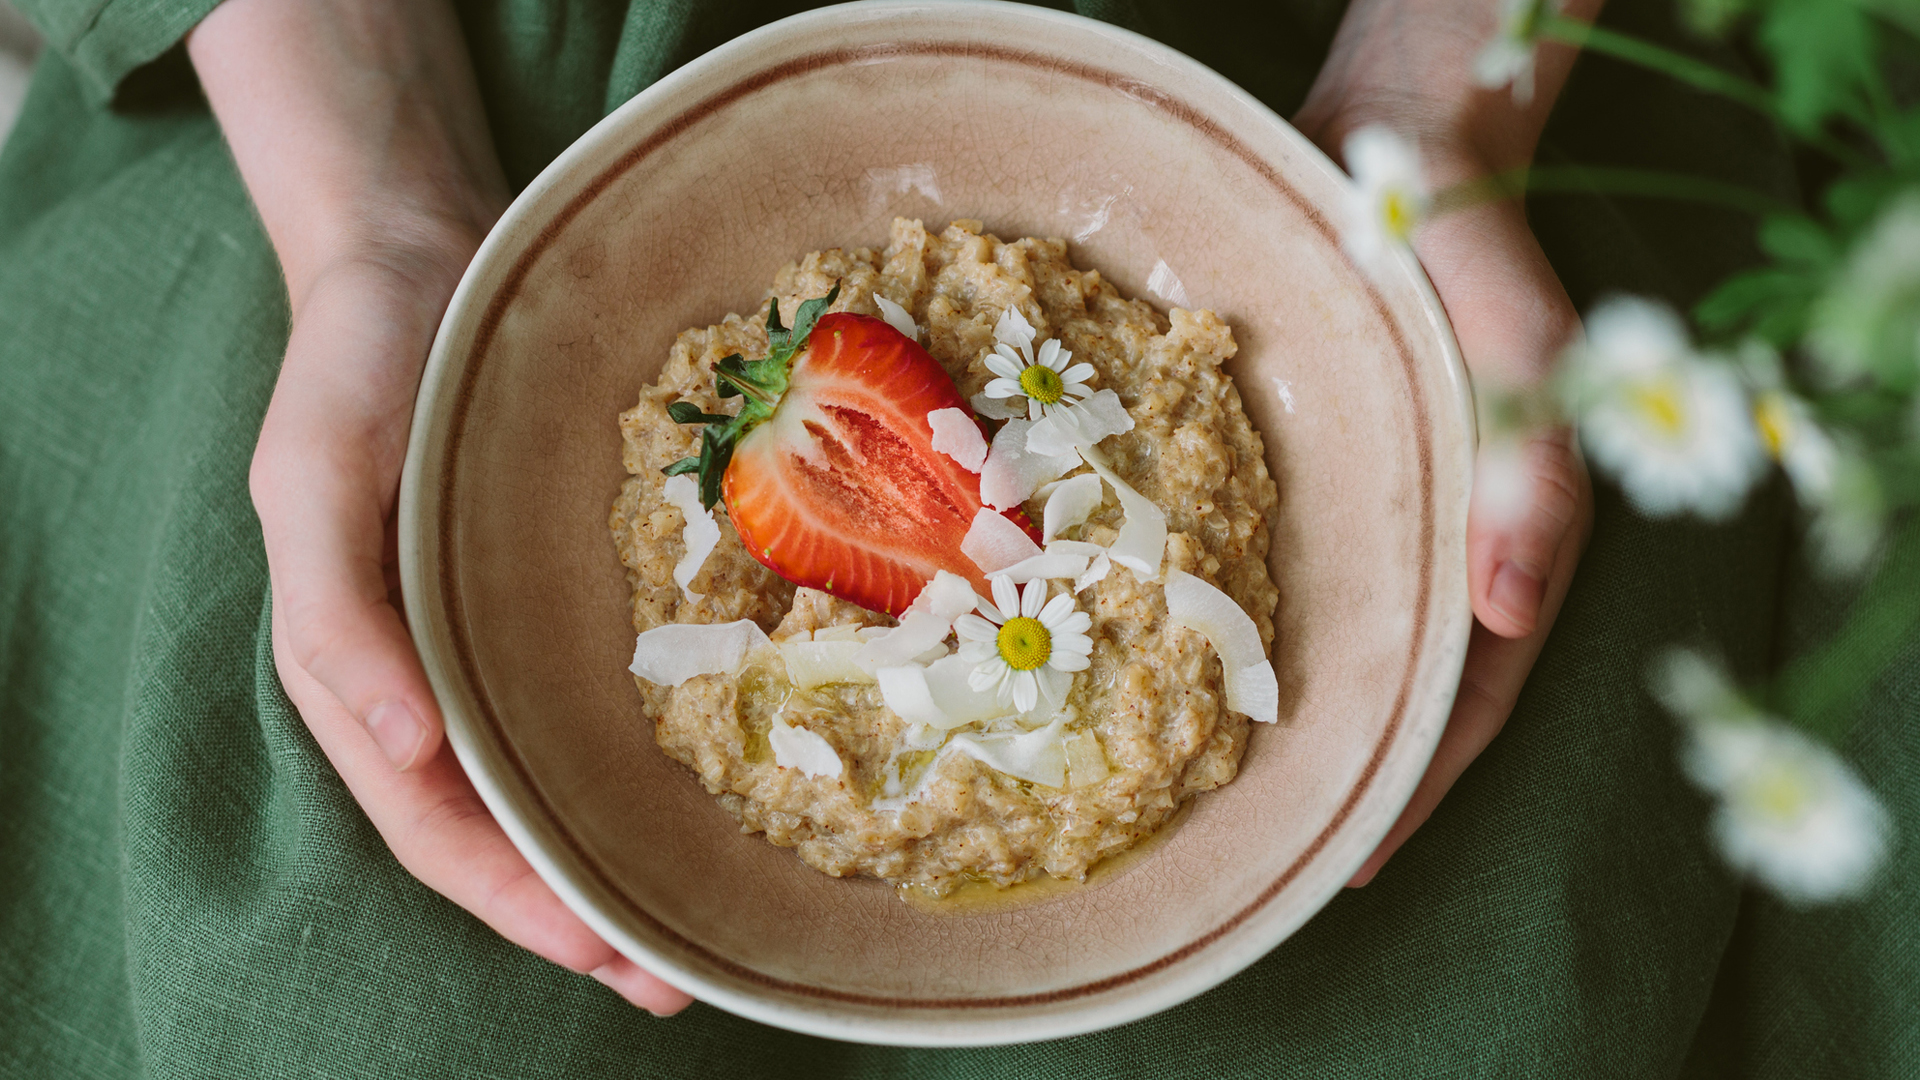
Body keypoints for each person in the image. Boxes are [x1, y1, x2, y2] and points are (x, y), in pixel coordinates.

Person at [2, 0, 1904, 1075]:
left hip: (1377, 98)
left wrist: (1435, 110)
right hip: (431, 107)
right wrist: (379, 223)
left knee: (1515, 971)